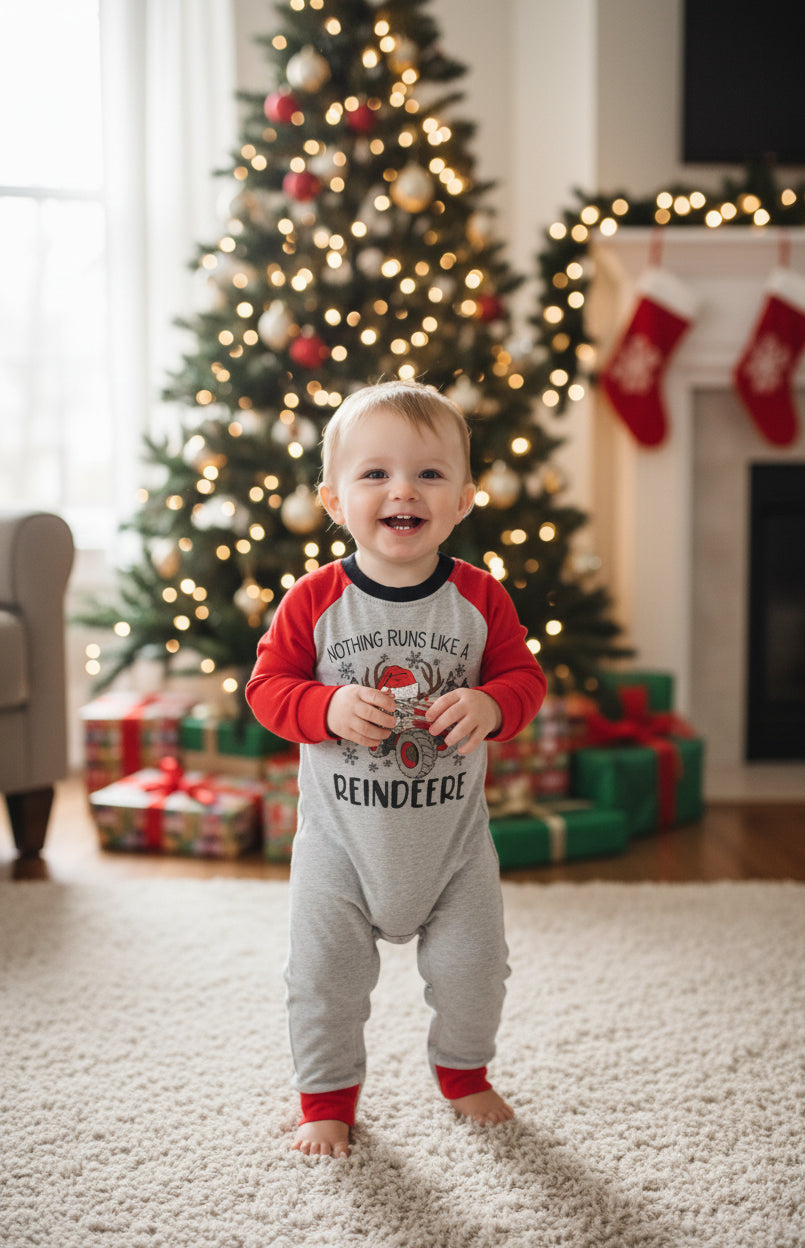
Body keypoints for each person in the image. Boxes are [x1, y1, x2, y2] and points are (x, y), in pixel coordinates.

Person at [246, 380, 547, 1157]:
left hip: (452, 849)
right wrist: (324, 708)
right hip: (340, 849)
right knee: (323, 981)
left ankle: (463, 1071)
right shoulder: (313, 602)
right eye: (374, 474)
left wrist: (489, 707)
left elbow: (525, 681)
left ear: (464, 499)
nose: (402, 490)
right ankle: (326, 1098)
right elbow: (268, 690)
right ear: (335, 501)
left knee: (477, 970)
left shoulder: (482, 599)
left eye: (428, 474)